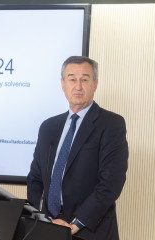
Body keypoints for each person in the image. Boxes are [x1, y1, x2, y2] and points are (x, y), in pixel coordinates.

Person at [27, 56, 128, 240]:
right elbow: (35, 179)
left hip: (90, 231)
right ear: (63, 83)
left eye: (85, 79)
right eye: (72, 79)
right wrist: (46, 220)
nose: (78, 86)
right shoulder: (49, 127)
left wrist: (75, 224)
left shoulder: (111, 124)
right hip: (49, 229)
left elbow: (110, 183)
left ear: (95, 84)